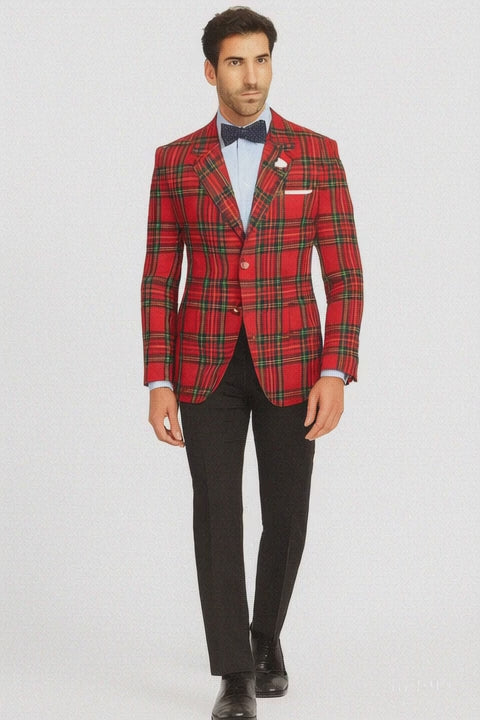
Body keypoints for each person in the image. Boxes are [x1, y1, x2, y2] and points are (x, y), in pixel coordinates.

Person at [141, 7, 363, 719]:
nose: (251, 76)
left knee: (287, 512)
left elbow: (345, 275)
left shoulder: (317, 154)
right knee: (217, 515)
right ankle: (234, 673)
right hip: (204, 363)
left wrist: (336, 369)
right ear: (211, 71)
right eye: (235, 62)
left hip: (295, 362)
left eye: (261, 60)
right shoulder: (176, 160)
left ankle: (265, 636)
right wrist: (158, 378)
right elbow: (159, 278)